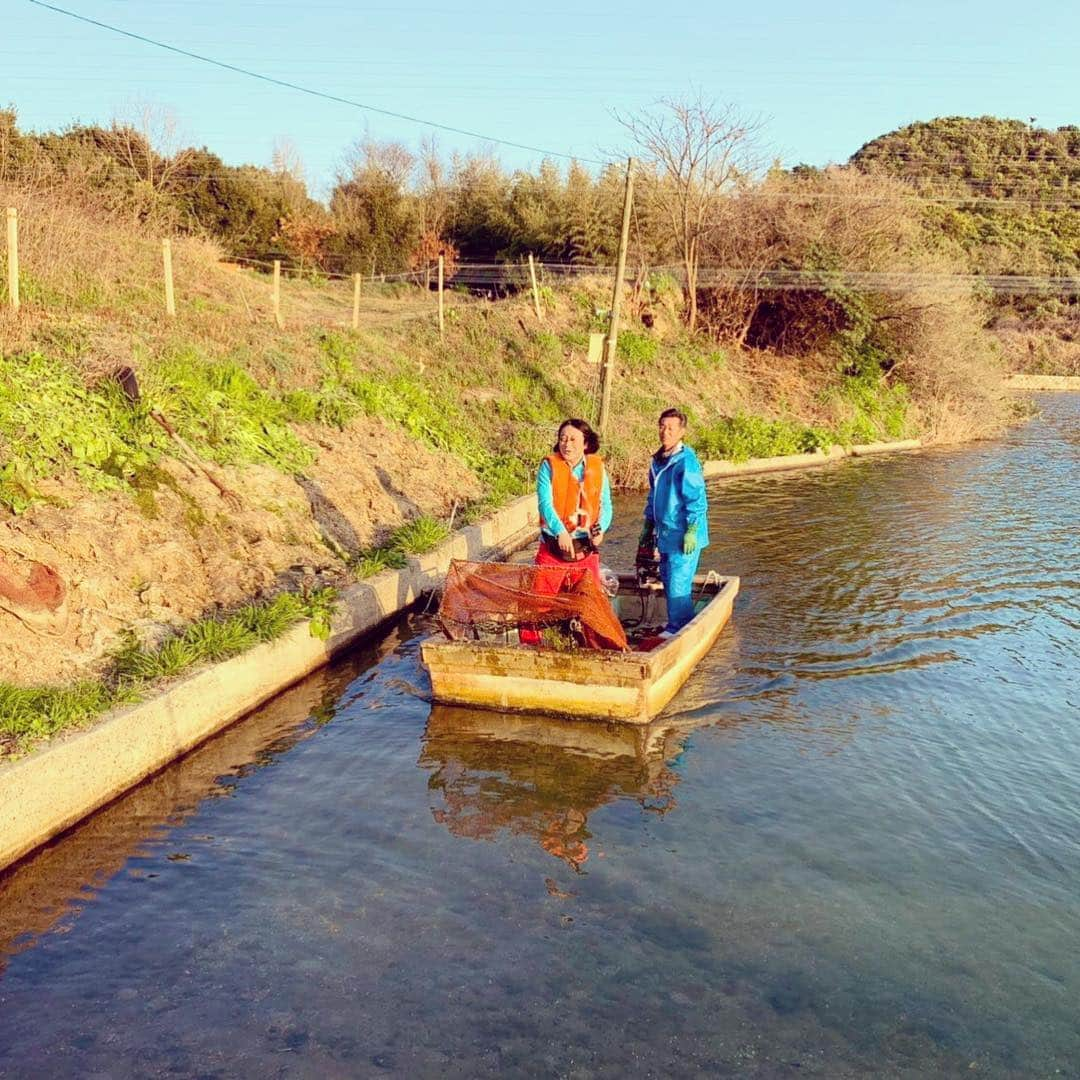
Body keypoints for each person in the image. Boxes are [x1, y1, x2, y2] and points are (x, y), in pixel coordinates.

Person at [519, 418, 613, 644]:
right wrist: (560, 531)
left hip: (585, 550)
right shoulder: (548, 466)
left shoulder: (597, 468)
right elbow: (545, 504)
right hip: (554, 550)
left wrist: (601, 529)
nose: (567, 444)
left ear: (586, 444)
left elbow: (606, 504)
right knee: (537, 603)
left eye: (572, 439)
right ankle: (530, 645)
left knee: (592, 604)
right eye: (562, 439)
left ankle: (595, 647)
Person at [639, 408, 709, 635]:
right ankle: (680, 624)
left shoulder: (686, 462)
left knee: (679, 582)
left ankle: (678, 629)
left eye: (671, 428)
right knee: (668, 579)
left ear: (681, 432)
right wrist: (648, 526)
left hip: (684, 535)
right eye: (662, 426)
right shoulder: (658, 461)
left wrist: (692, 529)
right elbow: (653, 496)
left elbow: (697, 499)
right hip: (665, 534)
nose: (665, 432)